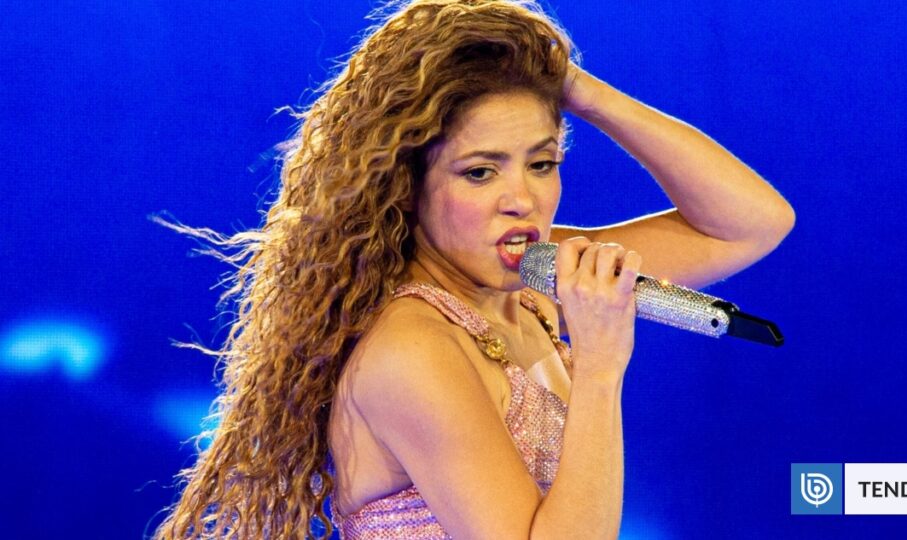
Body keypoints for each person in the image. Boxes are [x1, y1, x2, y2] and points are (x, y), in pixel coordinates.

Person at [154, 0, 795, 538]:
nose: (522, 199)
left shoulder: (530, 282)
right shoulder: (413, 348)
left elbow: (750, 223)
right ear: (406, 185)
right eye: (481, 172)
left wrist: (579, 90)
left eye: (541, 163)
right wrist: (600, 367)